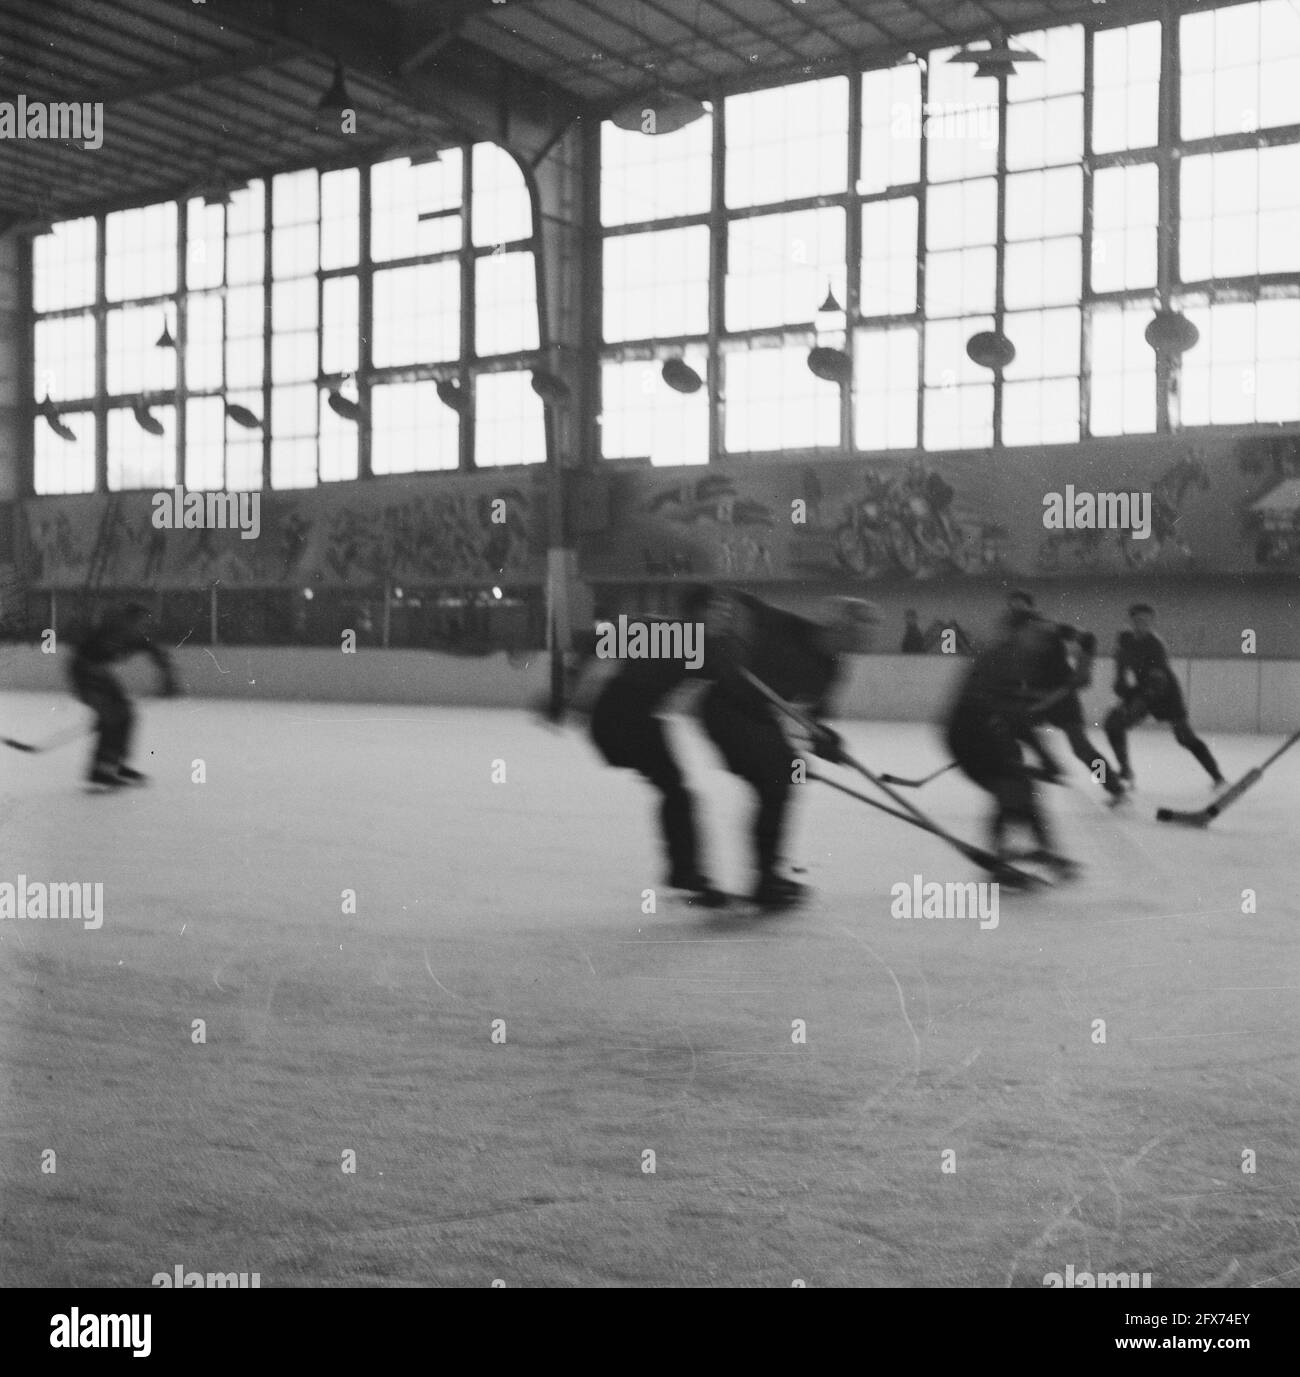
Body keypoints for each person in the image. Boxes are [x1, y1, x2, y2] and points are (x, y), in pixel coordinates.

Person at [700, 593, 879, 910]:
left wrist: (826, 741)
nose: (860, 641)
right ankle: (766, 879)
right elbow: (734, 600)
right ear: (836, 624)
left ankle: (767, 876)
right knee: (779, 777)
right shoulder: (780, 623)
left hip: (762, 721)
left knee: (785, 780)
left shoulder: (832, 668)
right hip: (725, 711)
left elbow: (809, 720)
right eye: (856, 631)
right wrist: (724, 638)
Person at [555, 585, 726, 908]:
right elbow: (595, 646)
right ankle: (686, 874)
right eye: (716, 610)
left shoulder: (695, 645)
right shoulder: (667, 633)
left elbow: (591, 646)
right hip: (622, 717)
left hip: (634, 718)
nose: (722, 618)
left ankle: (685, 873)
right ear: (697, 612)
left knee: (675, 791)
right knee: (676, 792)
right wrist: (570, 698)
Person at [944, 607, 1079, 882]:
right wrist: (1045, 757)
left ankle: (1023, 851)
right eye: (1035, 632)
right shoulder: (1004, 658)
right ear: (1017, 632)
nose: (1042, 639)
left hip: (985, 732)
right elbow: (1013, 715)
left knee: (1019, 786)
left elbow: (1015, 715)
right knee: (1013, 785)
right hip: (970, 733)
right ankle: (1003, 858)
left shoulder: (1020, 657)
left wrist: (1043, 757)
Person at [1104, 603, 1225, 790]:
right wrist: (1121, 686)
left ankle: (1217, 777)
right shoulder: (1124, 639)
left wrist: (1138, 703)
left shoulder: (1155, 645)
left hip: (1166, 693)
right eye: (1137, 621)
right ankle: (1125, 771)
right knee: (1113, 723)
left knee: (1184, 737)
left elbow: (1158, 680)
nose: (1141, 625)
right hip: (1142, 689)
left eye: (1146, 621)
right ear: (1130, 621)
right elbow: (1120, 667)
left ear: (1152, 623)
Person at [68, 601, 179, 789]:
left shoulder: (133, 636)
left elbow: (156, 652)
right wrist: (97, 701)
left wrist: (168, 678)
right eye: (140, 622)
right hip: (84, 673)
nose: (143, 627)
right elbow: (83, 655)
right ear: (129, 619)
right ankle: (101, 771)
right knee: (114, 717)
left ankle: (115, 765)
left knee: (125, 716)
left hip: (99, 674)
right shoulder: (111, 631)